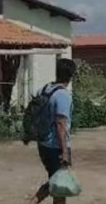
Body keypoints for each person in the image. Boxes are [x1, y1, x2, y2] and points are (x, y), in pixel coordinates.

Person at [30, 57, 77, 204]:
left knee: (55, 181)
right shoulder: (63, 95)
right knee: (59, 186)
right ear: (71, 75)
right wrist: (64, 152)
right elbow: (61, 124)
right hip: (55, 146)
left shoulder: (45, 89)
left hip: (43, 143)